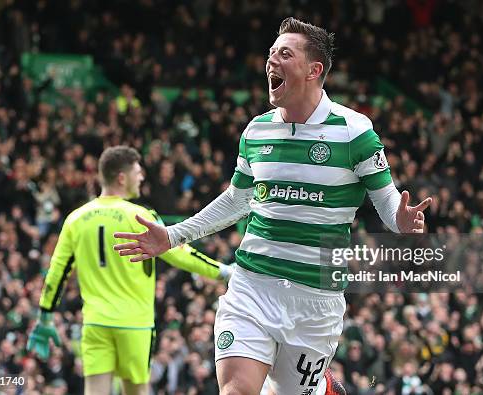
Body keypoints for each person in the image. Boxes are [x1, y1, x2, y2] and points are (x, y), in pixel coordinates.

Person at [114, 17, 431, 395]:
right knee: (236, 390)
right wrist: (172, 235)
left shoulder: (354, 131)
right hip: (252, 286)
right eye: (270, 53)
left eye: (285, 54)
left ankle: (323, 389)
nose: (271, 61)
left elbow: (388, 205)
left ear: (314, 70)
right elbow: (237, 200)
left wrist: (402, 220)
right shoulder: (256, 130)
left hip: (315, 300)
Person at [27, 146, 230, 395]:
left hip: (95, 323)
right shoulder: (141, 216)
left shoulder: (75, 219)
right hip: (135, 325)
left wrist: (45, 315)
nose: (142, 176)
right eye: (138, 171)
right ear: (122, 178)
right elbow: (180, 254)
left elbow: (57, 273)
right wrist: (221, 271)